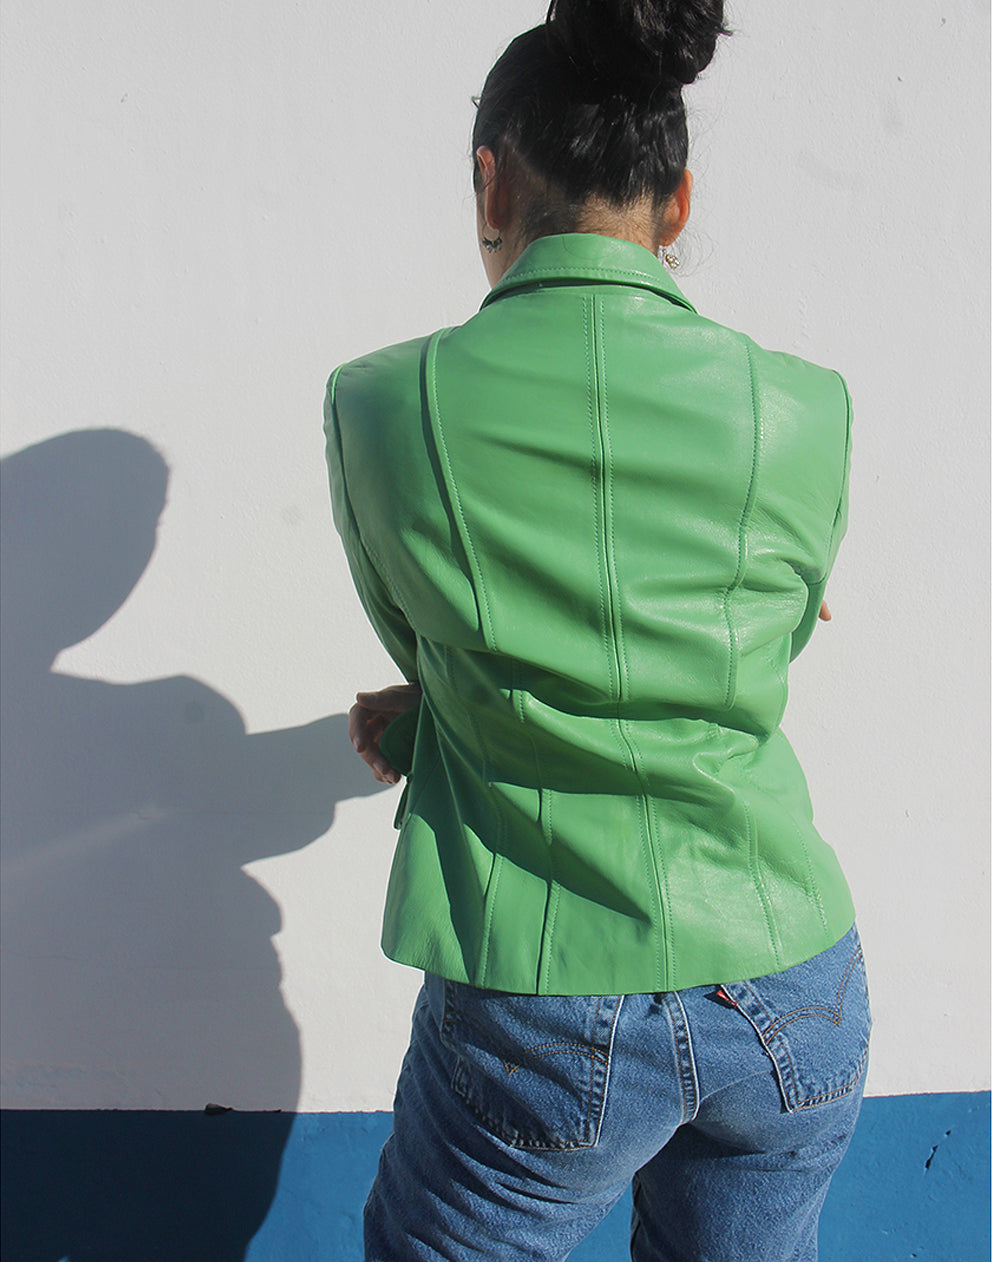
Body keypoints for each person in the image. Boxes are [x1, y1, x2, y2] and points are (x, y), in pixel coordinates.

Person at [323, 2, 871, 1258]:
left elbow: (439, 644)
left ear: (486, 180)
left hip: (542, 1003)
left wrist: (429, 715)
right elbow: (739, 653)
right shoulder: (802, 410)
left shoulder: (382, 407)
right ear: (676, 204)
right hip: (792, 983)